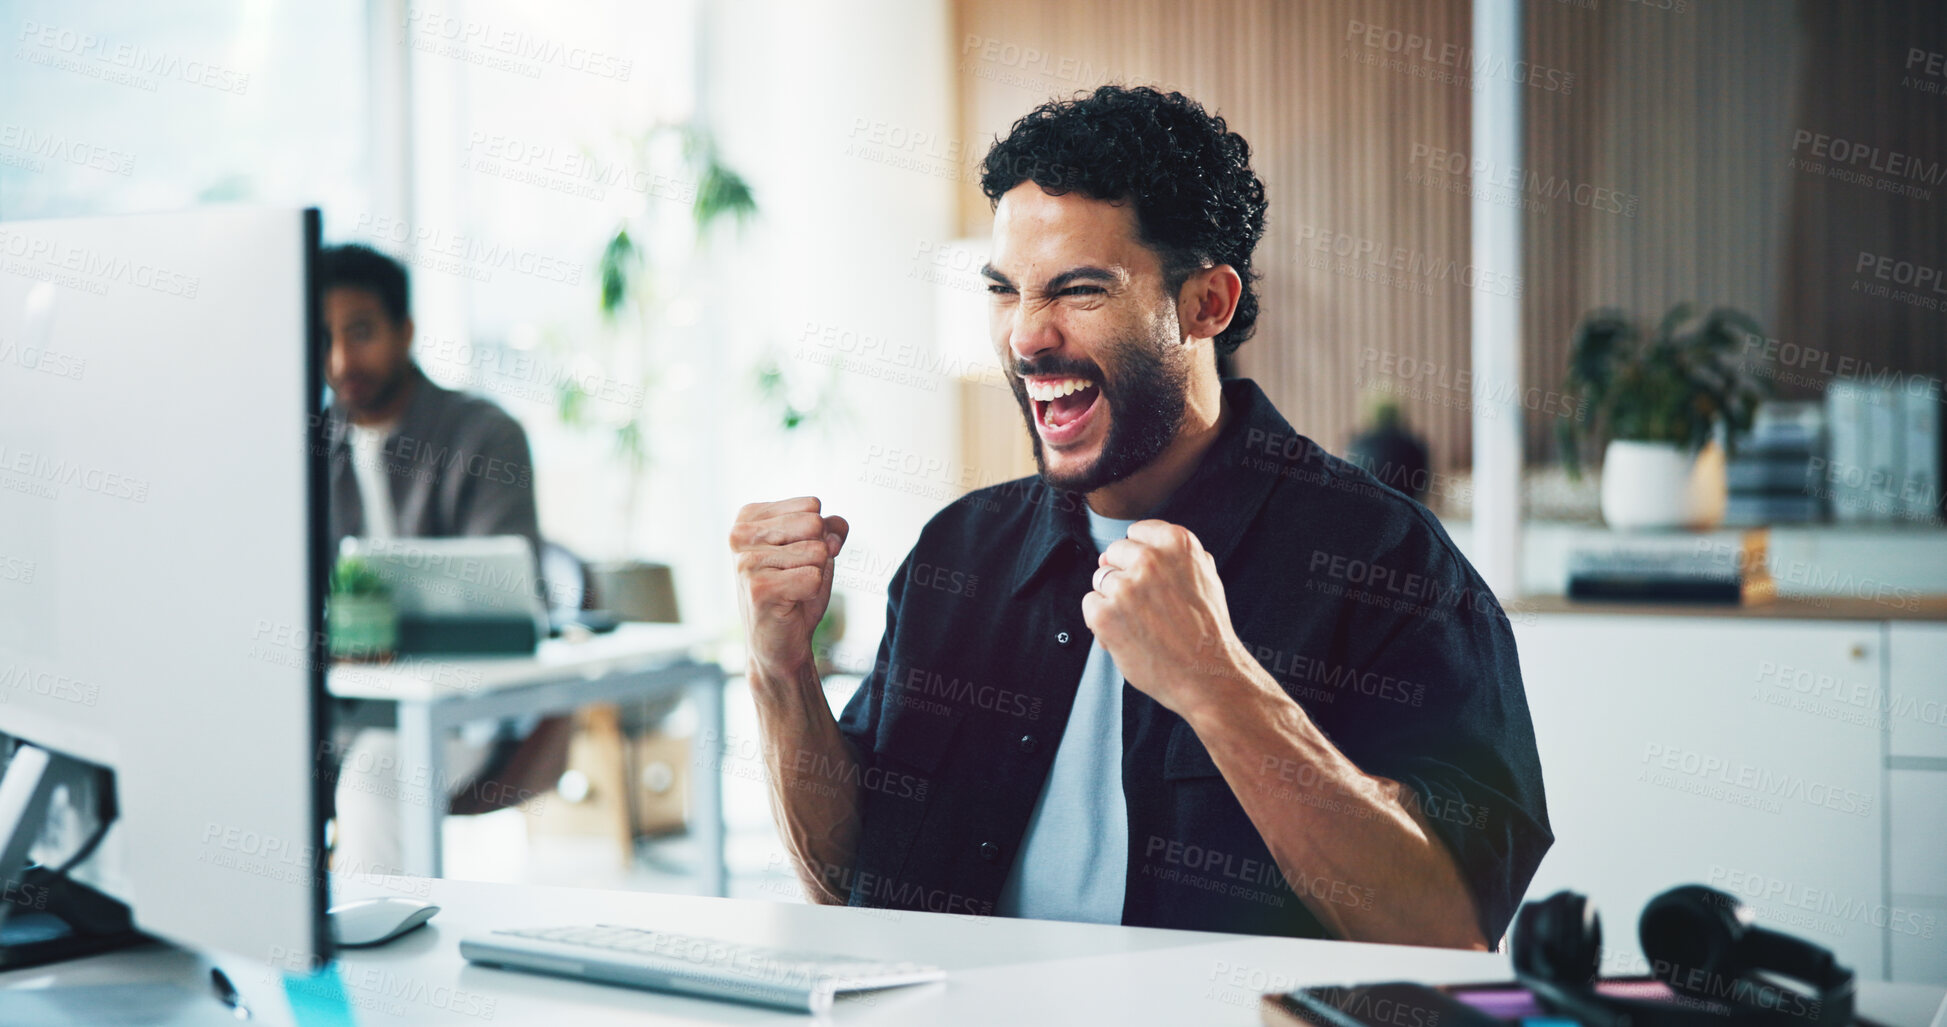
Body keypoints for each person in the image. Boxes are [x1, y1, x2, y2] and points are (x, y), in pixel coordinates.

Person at [728, 86, 1550, 947]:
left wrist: (1220, 688)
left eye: (1078, 290)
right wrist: (779, 671)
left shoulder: (1385, 560)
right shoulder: (959, 550)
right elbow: (847, 884)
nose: (1025, 337)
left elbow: (1448, 932)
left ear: (1206, 305)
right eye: (1006, 292)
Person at [318, 243, 557, 874]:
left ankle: (375, 964)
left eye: (361, 332)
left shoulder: (483, 435)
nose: (341, 361)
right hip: (339, 710)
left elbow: (500, 598)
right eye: (324, 339)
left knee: (376, 772)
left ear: (406, 332)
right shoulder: (311, 446)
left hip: (465, 713)